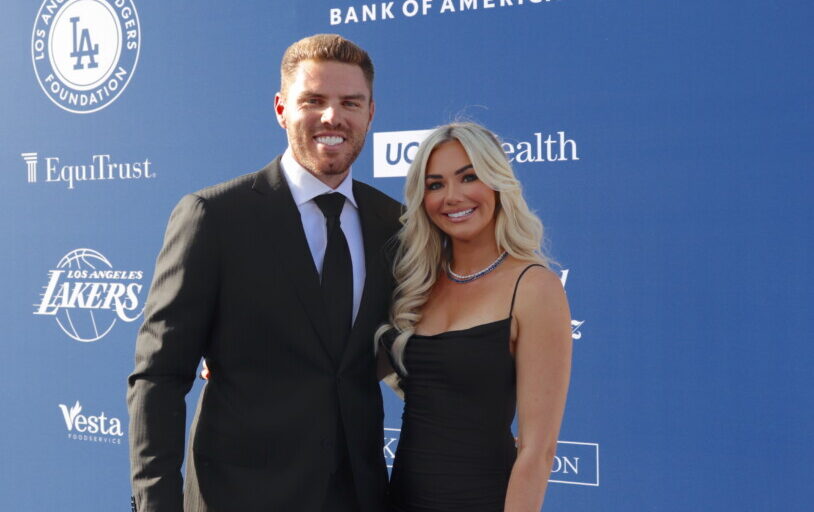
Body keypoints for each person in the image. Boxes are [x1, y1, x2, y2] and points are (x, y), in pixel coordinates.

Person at [127, 34, 401, 512]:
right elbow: (160, 377)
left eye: (349, 103)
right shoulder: (214, 217)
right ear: (280, 108)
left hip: (360, 496)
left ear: (370, 114)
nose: (332, 117)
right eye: (313, 100)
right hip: (238, 495)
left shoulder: (393, 223)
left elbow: (390, 352)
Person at [376, 122, 572, 512]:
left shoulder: (534, 288)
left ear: (497, 183)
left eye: (469, 177)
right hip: (400, 500)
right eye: (435, 185)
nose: (452, 196)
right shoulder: (417, 283)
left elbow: (538, 450)